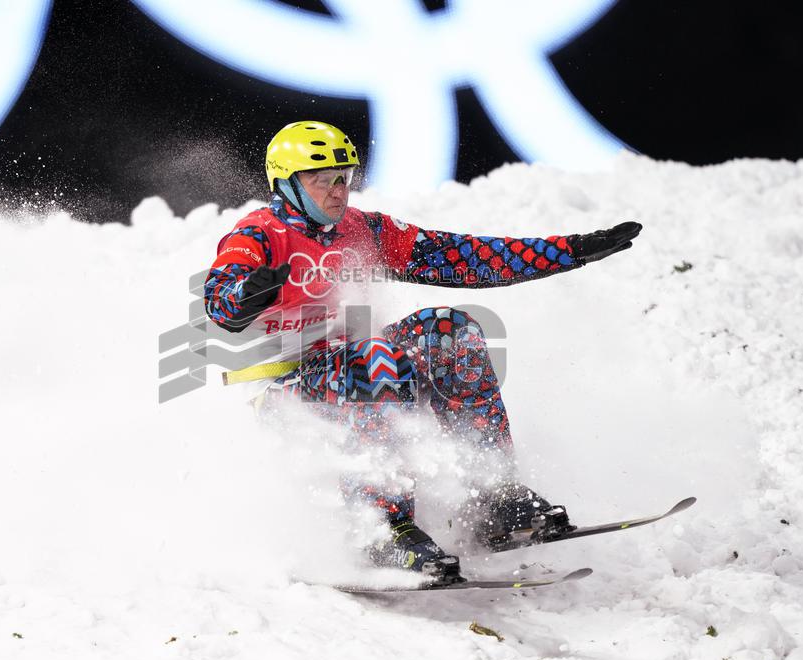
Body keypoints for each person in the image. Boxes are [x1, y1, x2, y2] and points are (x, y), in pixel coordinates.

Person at [203, 121, 641, 584]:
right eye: (321, 179)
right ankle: (381, 530)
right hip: (282, 394)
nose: (338, 191)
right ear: (287, 184)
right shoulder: (258, 234)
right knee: (373, 355)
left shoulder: (361, 229)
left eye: (343, 178)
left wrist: (569, 250)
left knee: (449, 330)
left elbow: (462, 257)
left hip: (358, 370)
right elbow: (219, 302)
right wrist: (244, 296)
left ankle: (493, 497)